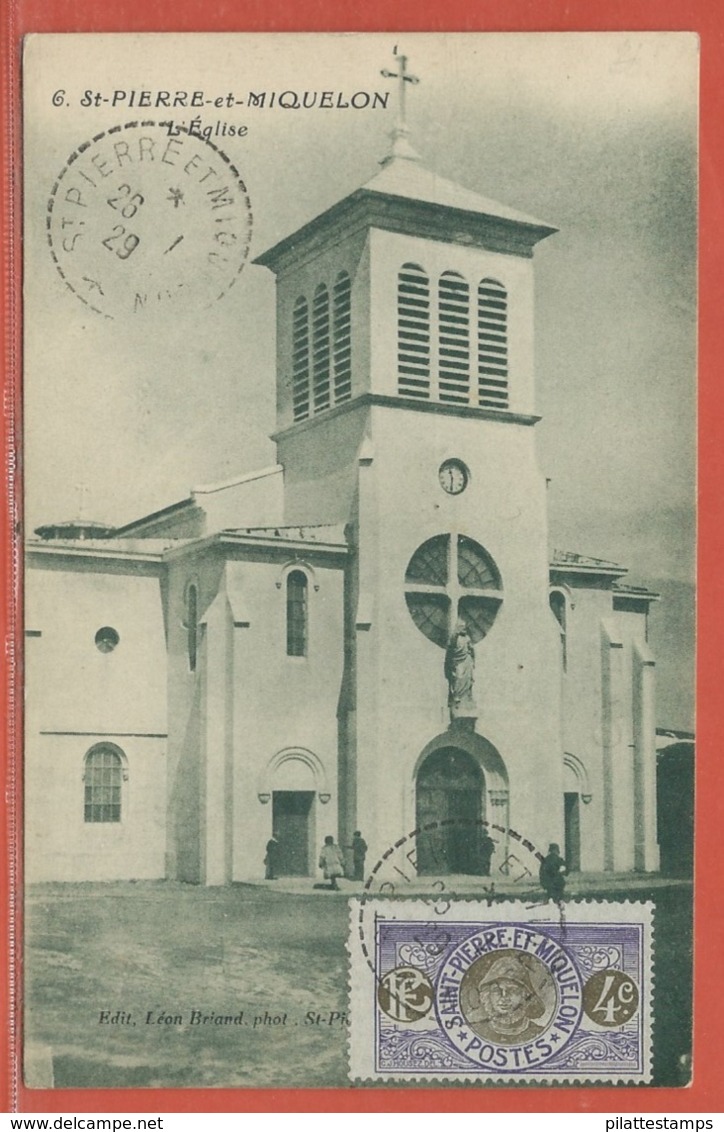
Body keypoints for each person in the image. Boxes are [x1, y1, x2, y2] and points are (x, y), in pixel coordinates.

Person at [465, 954, 548, 1044]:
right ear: (487, 995)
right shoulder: (474, 1032)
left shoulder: (540, 1034)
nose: (504, 997)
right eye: (496, 990)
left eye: (512, 990)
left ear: (524, 995)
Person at [444, 619, 476, 718]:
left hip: (466, 661)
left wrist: (473, 659)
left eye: (465, 626)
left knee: (467, 680)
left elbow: (471, 649)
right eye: (461, 627)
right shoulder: (454, 638)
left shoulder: (467, 638)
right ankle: (456, 697)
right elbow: (450, 651)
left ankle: (466, 698)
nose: (464, 628)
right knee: (458, 679)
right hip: (457, 662)